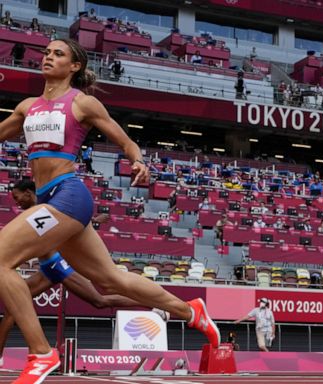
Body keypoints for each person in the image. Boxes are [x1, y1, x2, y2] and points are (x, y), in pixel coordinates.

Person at [0, 38, 220, 383]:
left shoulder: (82, 103)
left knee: (0, 258)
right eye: (46, 51)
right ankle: (189, 310)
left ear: (74, 67)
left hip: (68, 195)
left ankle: (41, 354)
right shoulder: (28, 106)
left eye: (58, 53)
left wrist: (138, 160)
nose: (48, 56)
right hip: (50, 201)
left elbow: (124, 139)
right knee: (110, 279)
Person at [0, 179, 165, 366]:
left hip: (59, 264)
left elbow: (69, 226)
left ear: (29, 193)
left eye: (17, 197)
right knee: (12, 309)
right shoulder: (35, 212)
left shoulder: (44, 207)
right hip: (47, 267)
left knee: (99, 301)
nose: (16, 201)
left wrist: (92, 223)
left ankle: (154, 304)